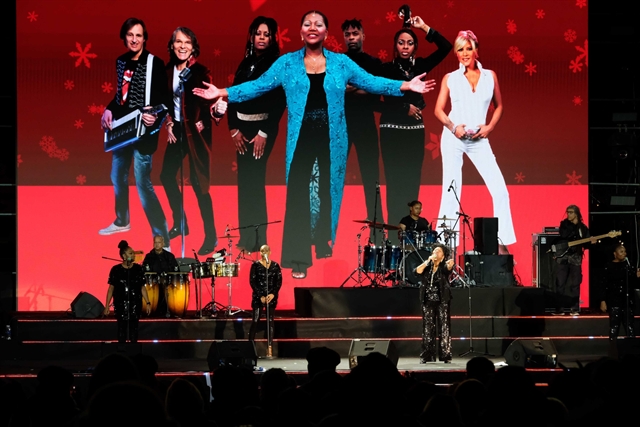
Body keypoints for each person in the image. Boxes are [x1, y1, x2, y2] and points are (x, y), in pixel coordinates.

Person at [194, 10, 436, 279]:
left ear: (325, 33)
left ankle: (322, 241)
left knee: (328, 190)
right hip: (301, 138)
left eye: (318, 24)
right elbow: (257, 86)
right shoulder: (287, 63)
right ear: (301, 32)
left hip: (333, 138)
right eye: (307, 24)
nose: (312, 27)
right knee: (298, 194)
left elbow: (372, 82)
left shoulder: (341, 63)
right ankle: (298, 258)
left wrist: (406, 86)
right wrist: (222, 92)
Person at [434, 30, 515, 252]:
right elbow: (438, 110)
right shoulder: (450, 78)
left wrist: (489, 127)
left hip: (479, 139)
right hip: (454, 137)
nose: (464, 53)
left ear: (476, 50)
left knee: (500, 190)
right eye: (460, 49)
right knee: (451, 189)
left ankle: (501, 243)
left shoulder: (490, 76)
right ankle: (447, 246)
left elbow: (499, 106)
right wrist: (453, 128)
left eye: (468, 48)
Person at [378, 15, 451, 240]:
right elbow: (375, 101)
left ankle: (410, 239)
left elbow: (446, 47)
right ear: (395, 46)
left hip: (414, 133)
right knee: (394, 183)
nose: (405, 47)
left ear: (415, 47)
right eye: (401, 43)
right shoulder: (385, 69)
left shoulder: (420, 66)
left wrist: (423, 27)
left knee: (412, 183)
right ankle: (393, 238)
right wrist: (404, 108)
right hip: (391, 131)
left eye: (410, 43)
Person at [99, 18, 170, 246]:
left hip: (144, 133)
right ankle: (122, 221)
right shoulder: (121, 61)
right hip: (123, 130)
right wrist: (108, 109)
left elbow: (166, 100)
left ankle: (162, 238)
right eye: (130, 35)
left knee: (143, 184)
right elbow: (121, 96)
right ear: (124, 37)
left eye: (138, 35)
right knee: (117, 176)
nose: (134, 39)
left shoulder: (154, 63)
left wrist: (154, 115)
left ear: (144, 38)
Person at [161, 27, 227, 255]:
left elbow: (211, 102)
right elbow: (164, 103)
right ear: (172, 45)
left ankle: (211, 236)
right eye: (178, 42)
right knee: (166, 176)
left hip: (196, 134)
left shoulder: (201, 72)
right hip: (178, 131)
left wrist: (216, 112)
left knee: (200, 185)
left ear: (193, 47)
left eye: (187, 42)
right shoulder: (167, 71)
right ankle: (181, 223)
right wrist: (168, 122)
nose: (182, 46)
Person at [228, 17, 286, 254]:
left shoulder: (276, 64)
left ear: (272, 38)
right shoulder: (246, 62)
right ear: (252, 36)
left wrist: (264, 133)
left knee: (255, 183)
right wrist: (233, 129)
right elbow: (233, 94)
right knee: (244, 183)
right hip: (241, 131)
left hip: (262, 131)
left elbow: (279, 102)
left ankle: (259, 239)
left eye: (266, 34)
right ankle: (245, 237)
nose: (261, 38)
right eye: (258, 33)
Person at [342, 19, 384, 229]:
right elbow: (332, 90)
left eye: (355, 33)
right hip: (341, 126)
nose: (351, 38)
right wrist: (362, 87)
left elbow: (376, 91)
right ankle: (326, 228)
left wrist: (352, 88)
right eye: (348, 34)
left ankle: (377, 222)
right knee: (333, 175)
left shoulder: (374, 63)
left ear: (363, 36)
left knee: (371, 175)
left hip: (366, 124)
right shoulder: (336, 62)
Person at [103, 240, 151, 343]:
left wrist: (148, 303)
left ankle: (133, 349)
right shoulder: (116, 270)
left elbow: (142, 287)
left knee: (134, 329)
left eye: (133, 253)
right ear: (124, 256)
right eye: (130, 253)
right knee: (121, 329)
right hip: (120, 304)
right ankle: (122, 349)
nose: (133, 255)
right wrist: (107, 306)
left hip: (135, 304)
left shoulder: (138, 269)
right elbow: (111, 288)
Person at [414, 244, 454, 363]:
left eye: (439, 251)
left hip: (442, 300)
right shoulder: (427, 266)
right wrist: (427, 261)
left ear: (443, 256)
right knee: (428, 329)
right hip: (427, 300)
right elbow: (417, 271)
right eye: (434, 251)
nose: (436, 252)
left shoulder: (444, 266)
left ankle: (445, 355)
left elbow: (447, 269)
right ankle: (427, 355)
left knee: (444, 327)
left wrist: (449, 265)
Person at [553, 205, 595, 315]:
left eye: (571, 212)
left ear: (576, 213)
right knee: (560, 283)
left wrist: (591, 242)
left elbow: (586, 245)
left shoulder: (583, 228)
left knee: (575, 283)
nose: (568, 214)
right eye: (567, 212)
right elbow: (564, 235)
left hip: (576, 257)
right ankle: (559, 309)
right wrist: (573, 225)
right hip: (563, 257)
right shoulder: (564, 224)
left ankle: (575, 308)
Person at [249, 245, 283, 356]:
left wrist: (273, 294)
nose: (264, 252)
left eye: (266, 250)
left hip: (271, 297)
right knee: (255, 320)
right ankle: (250, 346)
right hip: (259, 297)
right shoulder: (255, 265)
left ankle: (269, 347)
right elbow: (252, 281)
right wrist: (260, 296)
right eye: (262, 251)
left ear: (270, 252)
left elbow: (278, 281)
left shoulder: (275, 266)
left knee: (270, 321)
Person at [600, 244, 638, 339]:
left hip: (627, 301)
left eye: (625, 252)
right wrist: (603, 300)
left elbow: (633, 283)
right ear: (615, 254)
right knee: (614, 327)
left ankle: (632, 346)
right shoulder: (609, 266)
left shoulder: (628, 266)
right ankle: (613, 346)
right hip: (614, 300)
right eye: (621, 251)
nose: (624, 254)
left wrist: (636, 275)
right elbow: (604, 284)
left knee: (630, 327)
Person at [142, 235, 178, 317]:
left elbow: (175, 270)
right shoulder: (149, 256)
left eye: (159, 242)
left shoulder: (169, 256)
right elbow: (144, 270)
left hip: (167, 282)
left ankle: (168, 310)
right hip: (152, 282)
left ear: (163, 244)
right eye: (155, 242)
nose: (157, 244)